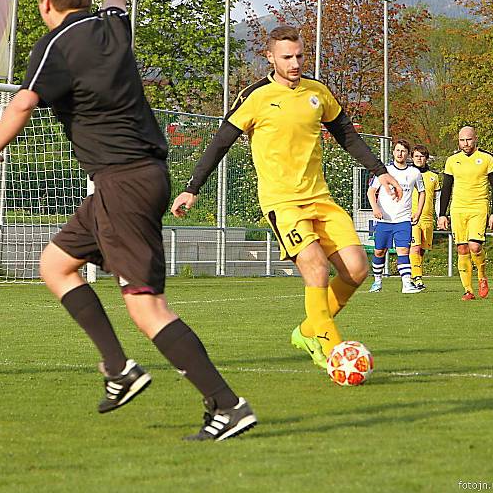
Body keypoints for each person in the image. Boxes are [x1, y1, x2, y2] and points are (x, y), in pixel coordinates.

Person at [0, 0, 255, 441]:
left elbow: (21, 103)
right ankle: (119, 367)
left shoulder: (55, 44)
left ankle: (228, 405)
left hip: (123, 181)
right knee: (55, 264)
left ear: (45, 4)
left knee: (146, 306)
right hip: (130, 180)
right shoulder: (112, 27)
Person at [171, 25, 402, 371]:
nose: (295, 63)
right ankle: (334, 350)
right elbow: (221, 142)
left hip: (320, 199)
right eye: (287, 57)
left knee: (357, 270)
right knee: (315, 266)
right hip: (282, 203)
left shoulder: (317, 92)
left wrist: (380, 170)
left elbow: (347, 136)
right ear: (270, 57)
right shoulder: (255, 97)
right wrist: (192, 187)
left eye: (299, 56)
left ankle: (310, 330)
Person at [437, 126, 493, 300]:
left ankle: (481, 276)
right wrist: (442, 214)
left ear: (475, 139)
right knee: (462, 248)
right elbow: (446, 189)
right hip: (458, 209)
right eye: (462, 140)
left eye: (468, 139)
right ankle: (468, 290)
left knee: (475, 246)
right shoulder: (452, 160)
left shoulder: (487, 158)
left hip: (478, 207)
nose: (465, 143)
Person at [367, 139, 425, 294]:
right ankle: (377, 281)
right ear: (393, 152)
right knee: (379, 252)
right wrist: (375, 208)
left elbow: (422, 192)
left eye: (404, 151)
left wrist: (418, 212)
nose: (400, 154)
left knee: (403, 251)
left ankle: (406, 284)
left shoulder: (414, 173)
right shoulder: (384, 171)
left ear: (408, 154)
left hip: (403, 220)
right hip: (385, 220)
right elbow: (371, 191)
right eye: (398, 150)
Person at [409, 144, 441, 290]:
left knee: (421, 250)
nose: (419, 158)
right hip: (412, 218)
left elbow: (438, 199)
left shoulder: (434, 177)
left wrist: (441, 216)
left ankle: (411, 277)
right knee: (414, 248)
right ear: (412, 158)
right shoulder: (407, 174)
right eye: (416, 156)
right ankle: (418, 279)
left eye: (422, 156)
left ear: (426, 158)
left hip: (428, 220)